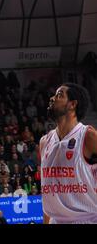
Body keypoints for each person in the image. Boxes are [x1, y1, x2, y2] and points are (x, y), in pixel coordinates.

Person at [41, 83, 97, 224]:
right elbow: (47, 191)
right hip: (55, 220)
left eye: (59, 95)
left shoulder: (88, 136)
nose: (52, 98)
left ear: (72, 104)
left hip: (86, 219)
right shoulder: (44, 142)